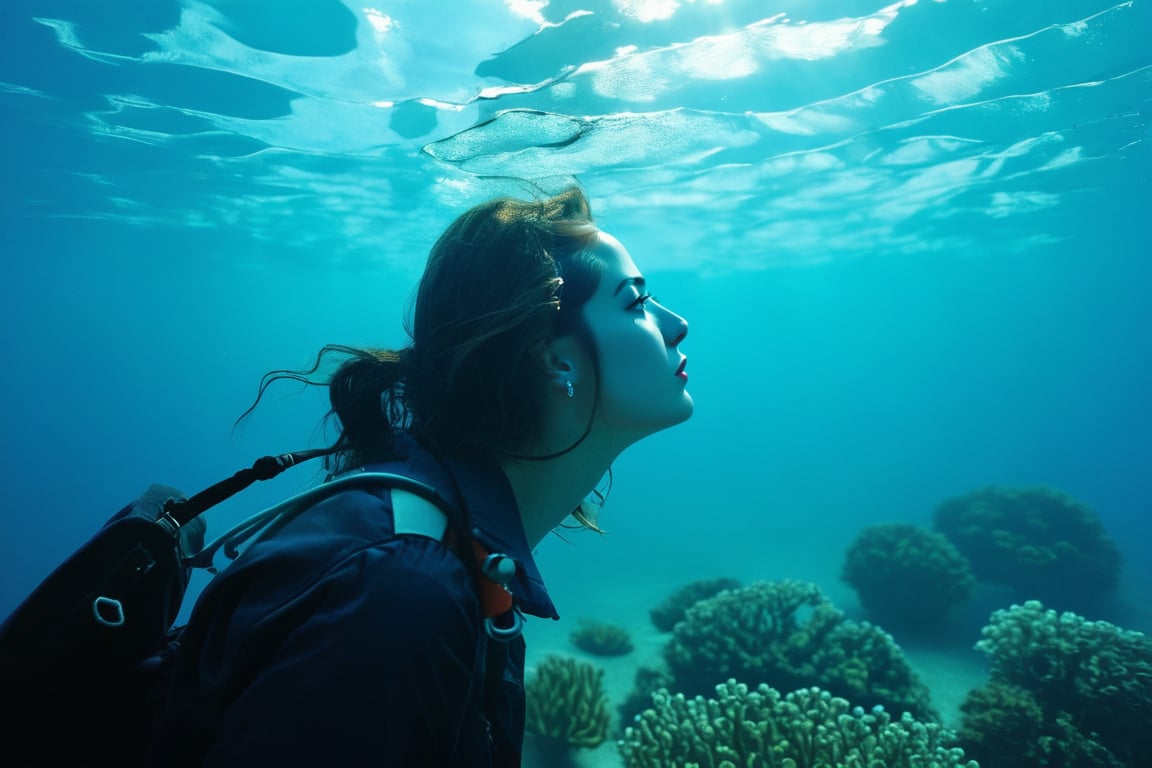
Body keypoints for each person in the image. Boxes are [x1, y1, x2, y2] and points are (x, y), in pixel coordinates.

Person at [157, 186, 692, 766]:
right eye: (636, 303)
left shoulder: (442, 538)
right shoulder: (400, 587)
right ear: (552, 357)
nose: (677, 324)